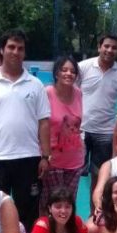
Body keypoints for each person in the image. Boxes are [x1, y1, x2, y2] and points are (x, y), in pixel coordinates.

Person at [0, 29, 51, 232]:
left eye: (20, 48)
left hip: (29, 157)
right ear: (2, 50)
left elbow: (44, 122)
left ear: (25, 53)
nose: (15, 52)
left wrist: (45, 156)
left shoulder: (35, 85)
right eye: (11, 47)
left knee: (28, 210)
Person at [77, 34, 117, 209]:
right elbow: (70, 91)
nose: (109, 50)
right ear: (99, 47)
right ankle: (67, 218)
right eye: (106, 46)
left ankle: (95, 216)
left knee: (99, 177)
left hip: (106, 133)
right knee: (73, 175)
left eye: (114, 47)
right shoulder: (83, 67)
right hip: (80, 131)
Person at [39, 56, 84, 214]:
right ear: (56, 73)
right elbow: (39, 125)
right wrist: (43, 157)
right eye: (64, 70)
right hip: (53, 161)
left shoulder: (78, 93)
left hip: (75, 160)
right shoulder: (47, 93)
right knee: (50, 202)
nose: (68, 74)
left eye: (72, 71)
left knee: (69, 204)